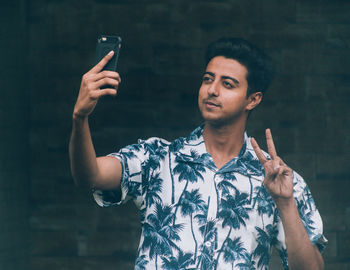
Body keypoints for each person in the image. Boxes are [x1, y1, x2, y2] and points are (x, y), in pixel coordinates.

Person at [69, 37, 327, 269]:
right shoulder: (158, 158)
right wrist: (80, 118)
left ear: (253, 99)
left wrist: (285, 202)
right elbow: (90, 175)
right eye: (207, 79)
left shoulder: (280, 181)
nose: (212, 90)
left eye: (228, 84)